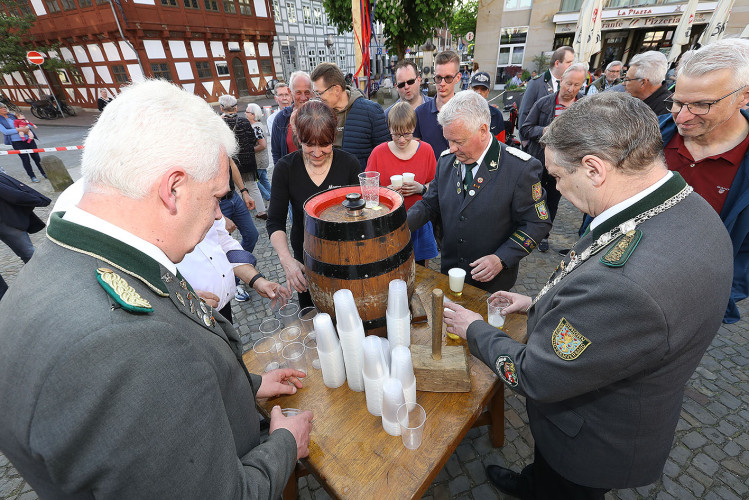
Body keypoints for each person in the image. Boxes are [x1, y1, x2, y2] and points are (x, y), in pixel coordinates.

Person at [0, 79, 313, 499]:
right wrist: (284, 445)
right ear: (173, 189)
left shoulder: (66, 262)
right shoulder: (129, 346)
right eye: (216, 197)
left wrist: (245, 385)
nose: (219, 217)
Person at [444, 92, 733, 500]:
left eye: (558, 177)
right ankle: (532, 483)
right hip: (593, 414)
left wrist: (474, 328)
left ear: (594, 169)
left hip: (587, 443)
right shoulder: (683, 207)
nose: (556, 187)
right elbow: (594, 286)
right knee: (543, 477)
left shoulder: (625, 286)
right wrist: (537, 303)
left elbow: (534, 375)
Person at [407, 91, 551, 293]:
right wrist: (399, 225)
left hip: (493, 284)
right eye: (448, 140)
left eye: (459, 141)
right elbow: (430, 204)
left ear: (483, 130)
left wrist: (502, 258)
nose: (452, 148)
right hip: (451, 272)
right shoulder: (446, 161)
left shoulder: (519, 168)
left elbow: (537, 223)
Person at [659, 39, 749, 323]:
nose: (682, 117)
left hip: (693, 308)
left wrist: (720, 295)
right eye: (677, 101)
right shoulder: (648, 134)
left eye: (701, 105)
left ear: (744, 96)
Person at [267, 100, 361, 308]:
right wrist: (287, 261)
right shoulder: (286, 169)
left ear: (334, 137)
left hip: (347, 259)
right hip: (306, 260)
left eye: (325, 144)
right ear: (298, 138)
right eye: (309, 144)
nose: (317, 153)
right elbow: (275, 222)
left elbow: (361, 218)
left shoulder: (349, 165)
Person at [520, 63, 587, 252]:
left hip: (564, 166)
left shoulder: (583, 107)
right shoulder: (544, 103)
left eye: (577, 85)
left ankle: (544, 235)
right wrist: (544, 130)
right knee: (533, 197)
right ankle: (527, 230)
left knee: (553, 201)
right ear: (561, 81)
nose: (571, 89)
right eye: (568, 84)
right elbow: (525, 128)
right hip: (540, 162)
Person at [366, 102, 438, 266]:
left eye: (407, 134)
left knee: (419, 269)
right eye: (395, 134)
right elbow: (368, 189)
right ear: (389, 128)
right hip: (387, 223)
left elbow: (436, 184)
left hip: (419, 221)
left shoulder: (426, 150)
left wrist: (421, 188)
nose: (401, 140)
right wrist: (386, 192)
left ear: (414, 126)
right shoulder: (378, 153)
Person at [310, 62, 390, 171]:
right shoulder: (318, 113)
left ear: (337, 90)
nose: (317, 97)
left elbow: (384, 155)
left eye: (320, 93)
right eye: (315, 93)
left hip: (360, 184)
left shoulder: (371, 111)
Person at [219, 95, 260, 254]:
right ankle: (233, 276)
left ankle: (241, 264)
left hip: (233, 196)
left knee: (252, 235)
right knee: (222, 246)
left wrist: (243, 192)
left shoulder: (218, 129)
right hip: (219, 203)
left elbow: (230, 162)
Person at [518, 46, 575, 144]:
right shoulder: (536, 83)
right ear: (557, 63)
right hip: (538, 142)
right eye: (568, 62)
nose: (571, 66)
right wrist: (524, 140)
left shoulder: (570, 85)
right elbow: (524, 112)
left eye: (572, 62)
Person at [414, 50, 464, 159]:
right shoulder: (420, 113)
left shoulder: (466, 112)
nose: (442, 83)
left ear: (458, 78)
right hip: (431, 175)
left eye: (448, 78)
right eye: (438, 78)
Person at [0, 171, 51, 276]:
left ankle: (44, 275)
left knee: (28, 252)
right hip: (4, 220)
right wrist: (37, 199)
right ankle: (44, 275)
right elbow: (13, 195)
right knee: (28, 252)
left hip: (5, 219)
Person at [271, 71, 312, 164]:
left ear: (312, 93)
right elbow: (276, 152)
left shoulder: (320, 114)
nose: (303, 97)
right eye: (298, 92)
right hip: (291, 175)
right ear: (290, 92)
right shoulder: (281, 119)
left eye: (307, 92)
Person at [0, 103, 46, 183]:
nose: (4, 109)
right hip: (17, 142)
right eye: (1, 108)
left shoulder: (13, 116)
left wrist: (27, 127)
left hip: (29, 139)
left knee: (37, 158)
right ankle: (32, 176)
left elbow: (27, 123)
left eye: (5, 107)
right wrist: (20, 130)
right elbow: (6, 132)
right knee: (25, 160)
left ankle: (44, 173)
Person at [624, 51, 671, 116]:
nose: (623, 83)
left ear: (643, 83)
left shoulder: (666, 111)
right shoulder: (632, 99)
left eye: (627, 80)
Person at [246, 103, 271, 210]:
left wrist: (249, 151)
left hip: (258, 161)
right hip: (262, 160)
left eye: (246, 112)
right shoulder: (258, 125)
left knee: (255, 181)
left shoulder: (255, 128)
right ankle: (273, 198)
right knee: (263, 180)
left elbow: (263, 145)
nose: (245, 114)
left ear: (252, 114)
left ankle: (268, 197)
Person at [469, 71, 506, 142]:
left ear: (488, 92)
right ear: (470, 89)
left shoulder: (496, 115)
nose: (479, 92)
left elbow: (500, 144)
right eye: (476, 88)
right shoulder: (462, 113)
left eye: (483, 89)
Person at [266, 82, 292, 150]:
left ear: (291, 97)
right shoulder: (271, 119)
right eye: (281, 95)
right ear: (276, 99)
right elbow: (276, 144)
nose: (284, 98)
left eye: (287, 94)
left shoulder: (300, 113)